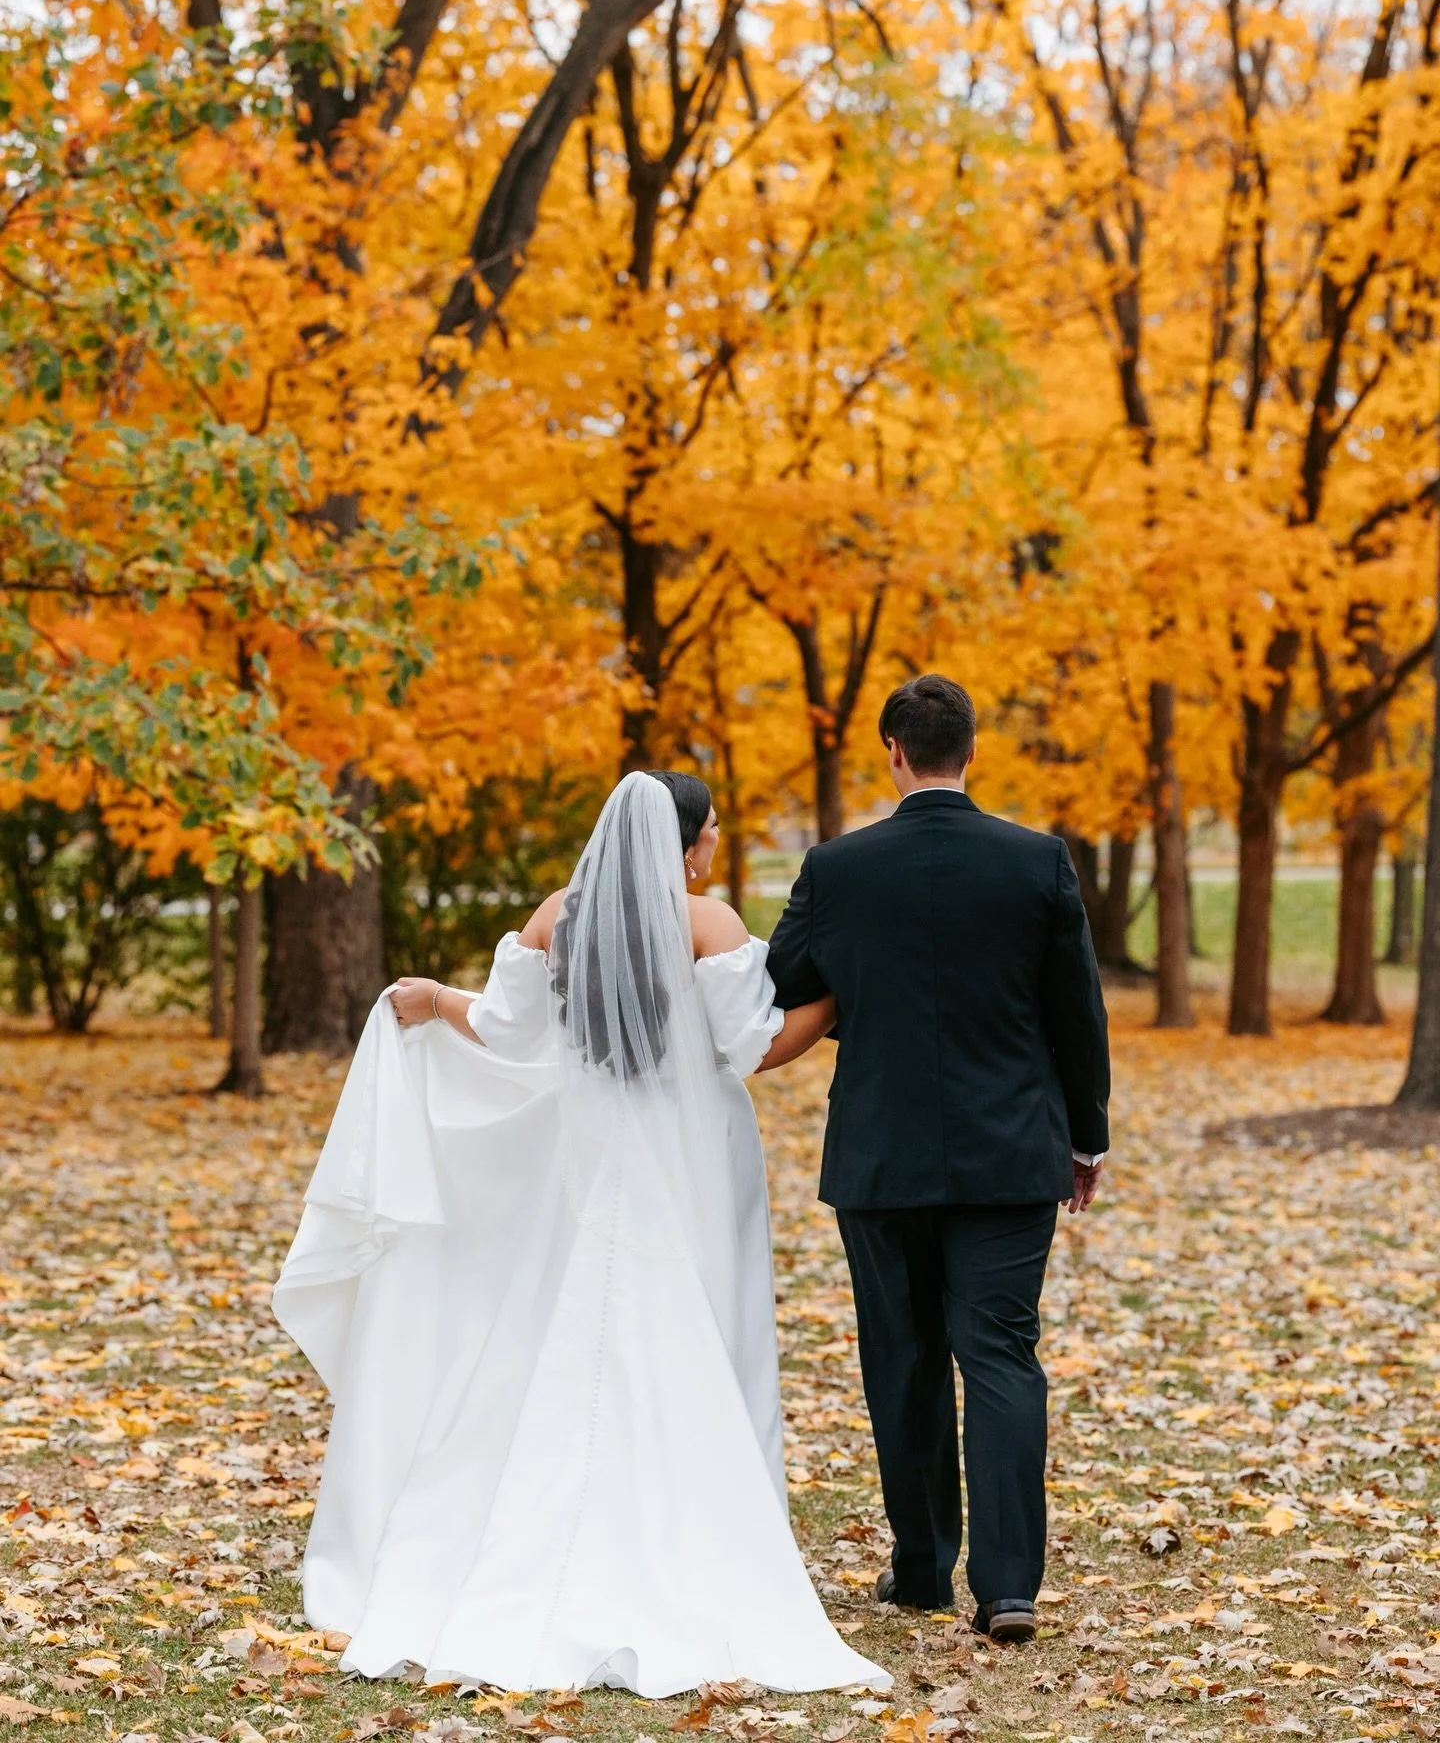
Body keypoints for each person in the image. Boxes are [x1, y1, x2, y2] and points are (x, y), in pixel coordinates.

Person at [272, 770, 889, 1698]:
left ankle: (512, 1543)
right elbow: (755, 1046)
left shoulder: (559, 914)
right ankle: (699, 1536)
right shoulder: (707, 921)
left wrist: (435, 999)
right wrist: (843, 997)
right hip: (693, 1161)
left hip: (589, 1157)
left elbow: (511, 1032)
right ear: (682, 843)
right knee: (693, 1331)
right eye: (713, 830)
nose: (716, 844)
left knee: (574, 1333)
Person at [766, 674, 1111, 1643]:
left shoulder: (836, 870)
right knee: (1000, 1353)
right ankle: (1006, 1590)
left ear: (892, 753)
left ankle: (919, 1570)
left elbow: (782, 982)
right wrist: (1085, 1134)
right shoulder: (1035, 862)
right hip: (1011, 1151)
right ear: (971, 750)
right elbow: (1075, 1012)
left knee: (904, 1358)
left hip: (880, 1156)